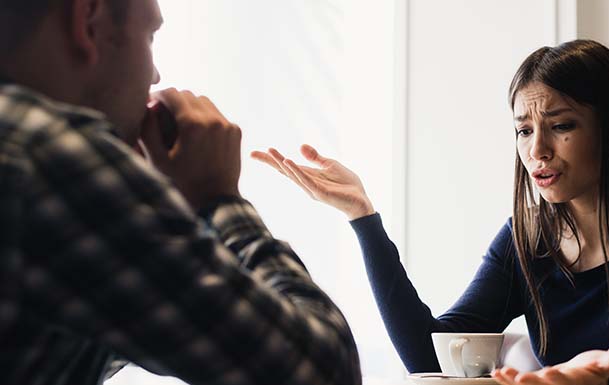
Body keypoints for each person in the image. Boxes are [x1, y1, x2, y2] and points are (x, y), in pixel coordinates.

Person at [253, 39, 609, 385]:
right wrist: (364, 219)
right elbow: (430, 354)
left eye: (561, 126)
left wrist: (582, 376)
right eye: (523, 130)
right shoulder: (528, 239)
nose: (537, 149)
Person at [0, 0, 361, 384]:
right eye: (150, 35)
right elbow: (324, 372)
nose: (155, 75)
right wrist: (218, 199)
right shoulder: (49, 154)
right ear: (88, 20)